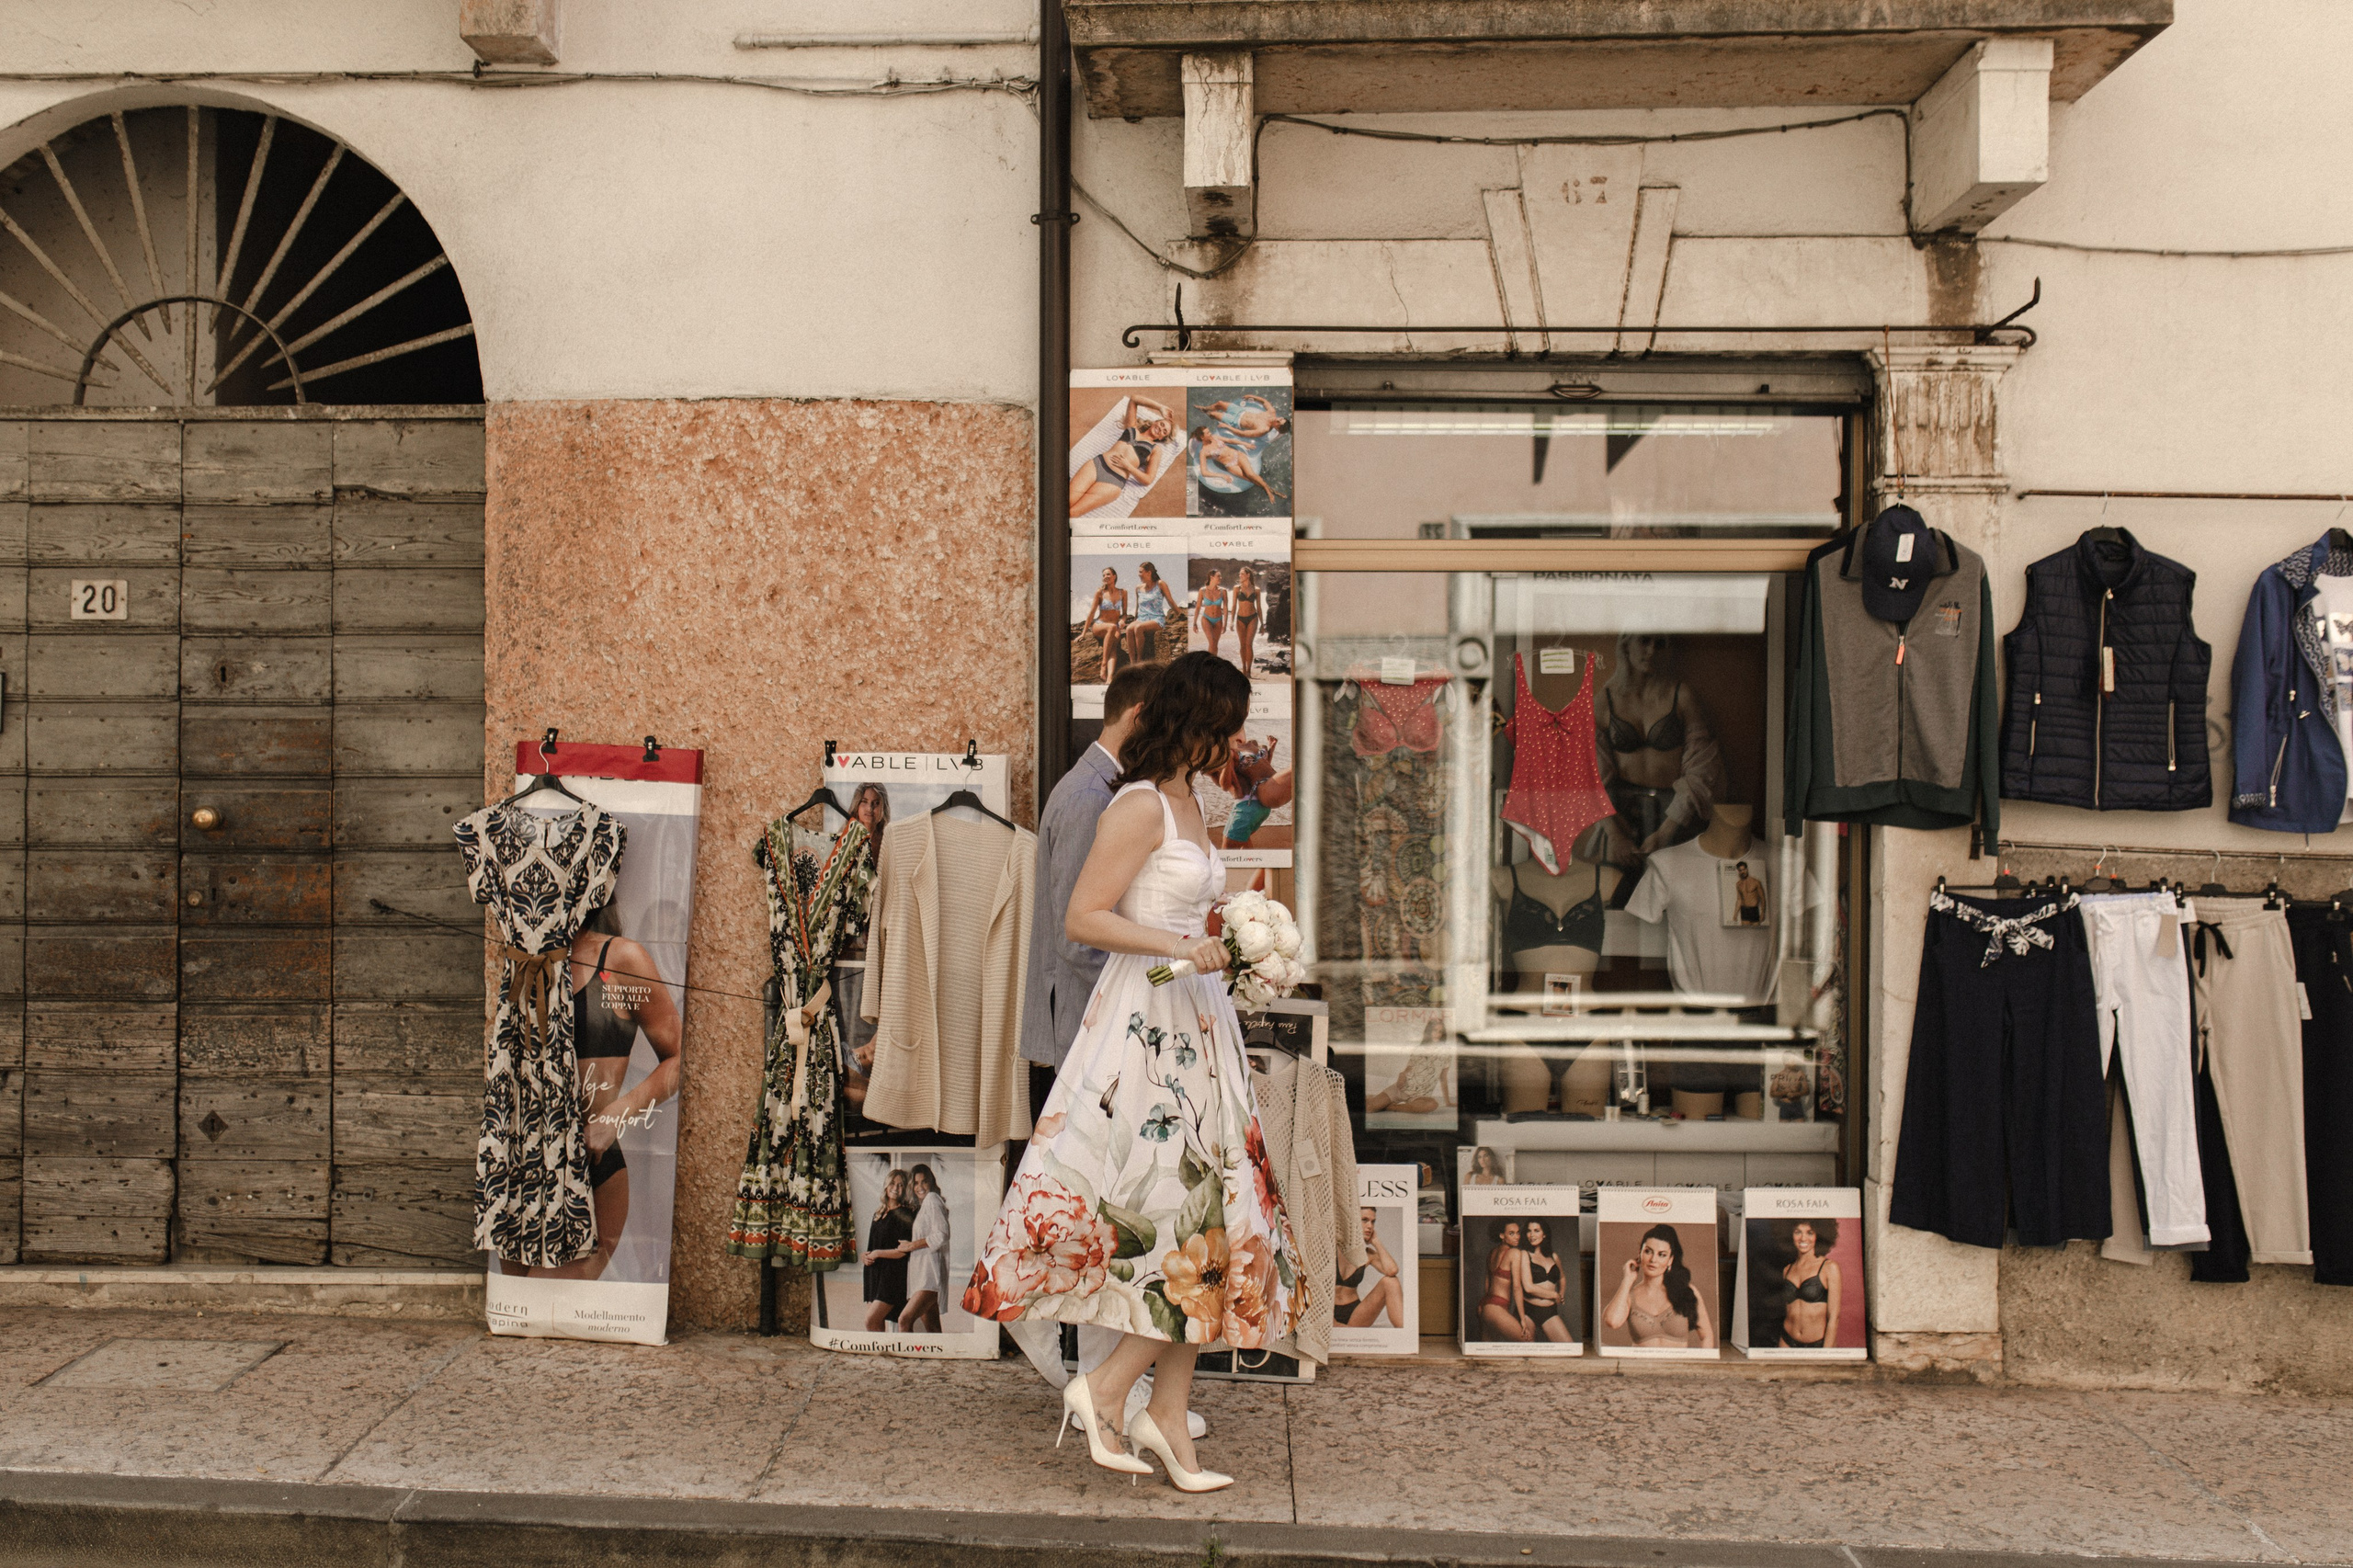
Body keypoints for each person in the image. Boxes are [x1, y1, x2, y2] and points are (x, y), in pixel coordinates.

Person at [965, 652, 1301, 1494]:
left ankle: (1164, 1421)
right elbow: (1084, 916)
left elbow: (1191, 910)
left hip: (1196, 1019)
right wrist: (1182, 949)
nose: (1237, 739)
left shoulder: (1193, 799)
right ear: (1197, 721)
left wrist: (1238, 947)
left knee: (1221, 1212)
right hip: (1148, 1025)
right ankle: (1109, 1389)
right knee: (1192, 1220)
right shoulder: (1139, 803)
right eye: (1227, 724)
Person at [520, 901, 682, 1281]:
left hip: (590, 1165)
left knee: (550, 1301)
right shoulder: (527, 954)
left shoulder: (620, 958)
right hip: (523, 1164)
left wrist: (615, 1115)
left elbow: (679, 1058)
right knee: (519, 1308)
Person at [1021, 660, 1164, 1078]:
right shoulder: (1091, 796)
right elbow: (1077, 935)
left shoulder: (1101, 787)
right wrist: (1149, 991)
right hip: (1082, 1012)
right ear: (1140, 716)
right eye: (1166, 721)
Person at [1593, 633, 1723, 869]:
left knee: (1676, 897)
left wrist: (1666, 832)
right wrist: (1614, 834)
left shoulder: (1682, 697)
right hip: (1619, 819)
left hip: (1676, 815)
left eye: (1660, 643)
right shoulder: (1604, 701)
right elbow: (1586, 775)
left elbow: (1704, 768)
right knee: (1619, 897)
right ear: (1626, 645)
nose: (1652, 651)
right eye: (1644, 640)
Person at [839, 782, 891, 1111]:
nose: (869, 809)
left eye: (876, 803)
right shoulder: (844, 843)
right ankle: (853, 1059)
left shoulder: (888, 845)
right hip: (850, 948)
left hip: (879, 940)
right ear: (856, 806)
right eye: (865, 802)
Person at [1602, 1223, 1715, 1348]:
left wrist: (1698, 1367)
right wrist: (1627, 1281)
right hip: (1639, 1366)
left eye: (1662, 1254)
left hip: (1679, 1367)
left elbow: (1707, 1336)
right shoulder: (1629, 1296)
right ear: (1640, 1254)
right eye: (1648, 1252)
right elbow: (1612, 1322)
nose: (1653, 1260)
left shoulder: (1686, 1292)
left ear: (1670, 1260)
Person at [1071, 398, 1178, 519]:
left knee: (1073, 512)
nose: (1161, 429)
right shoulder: (1132, 427)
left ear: (1162, 437)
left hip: (1113, 481)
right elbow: (1134, 399)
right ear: (1155, 422)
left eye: (1165, 431)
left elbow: (1148, 479)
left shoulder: (1155, 450)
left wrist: (1128, 466)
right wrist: (1160, 407)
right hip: (1097, 465)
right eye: (1162, 424)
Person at [860, 1169, 915, 1331]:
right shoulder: (878, 1214)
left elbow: (903, 1251)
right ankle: (881, 1354)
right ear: (886, 1185)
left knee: (871, 1320)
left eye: (901, 1185)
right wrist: (865, 1256)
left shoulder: (905, 1214)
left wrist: (877, 1253)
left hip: (892, 1275)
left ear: (904, 1189)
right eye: (893, 1183)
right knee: (875, 1323)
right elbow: (871, 1246)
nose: (896, 1188)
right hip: (873, 1273)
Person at [897, 1163, 949, 1334]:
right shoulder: (925, 1205)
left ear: (931, 1182)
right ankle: (942, 1358)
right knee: (934, 1330)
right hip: (923, 1276)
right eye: (916, 1183)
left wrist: (911, 1245)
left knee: (904, 1320)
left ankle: (906, 1358)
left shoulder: (932, 1199)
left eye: (924, 1182)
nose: (920, 1187)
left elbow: (941, 1235)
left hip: (929, 1277)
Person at [1335, 1206, 1404, 1329]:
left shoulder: (1367, 1254)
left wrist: (1376, 1241)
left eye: (1373, 1222)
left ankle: (1405, 1338)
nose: (1370, 1226)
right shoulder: (1329, 1250)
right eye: (1365, 1220)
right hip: (1326, 1314)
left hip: (1356, 1314)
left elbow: (1392, 1270)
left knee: (1391, 1282)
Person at [1778, 1217, 1843, 1348]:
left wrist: (1826, 1354)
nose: (1803, 1238)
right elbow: (1788, 1310)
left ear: (1819, 1235)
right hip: (1787, 1341)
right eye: (1798, 1232)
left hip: (1817, 1344)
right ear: (1790, 1234)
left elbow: (1834, 1318)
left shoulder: (1829, 1267)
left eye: (1810, 1232)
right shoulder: (1787, 1269)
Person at [1192, 423, 1288, 506]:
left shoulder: (1215, 438)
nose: (1210, 433)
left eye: (1209, 431)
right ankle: (1273, 491)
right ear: (1202, 437)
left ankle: (1268, 491)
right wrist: (1222, 475)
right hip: (1230, 465)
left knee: (1251, 475)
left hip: (1238, 456)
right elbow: (1204, 472)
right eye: (1208, 433)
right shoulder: (1204, 452)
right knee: (1249, 479)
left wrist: (1245, 444)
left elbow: (1230, 441)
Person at [1516, 1220, 1574, 1344]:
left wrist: (1561, 1293)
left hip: (1549, 1311)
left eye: (1536, 1231)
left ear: (1545, 1234)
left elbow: (1562, 1277)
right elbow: (1528, 1287)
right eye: (1529, 1231)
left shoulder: (1553, 1256)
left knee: (1568, 1346)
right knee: (1528, 1352)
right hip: (1528, 1310)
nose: (1532, 1235)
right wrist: (1554, 1295)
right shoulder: (1524, 1254)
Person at [1477, 1221, 1530, 1342]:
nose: (1517, 1237)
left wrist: (1483, 1307)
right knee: (1527, 1342)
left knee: (1490, 1352)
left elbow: (1487, 1285)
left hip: (1485, 1306)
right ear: (1502, 1235)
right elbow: (1517, 1287)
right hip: (1497, 1308)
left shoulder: (1492, 1253)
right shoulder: (1514, 1253)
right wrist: (1522, 1319)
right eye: (1511, 1233)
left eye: (1518, 1233)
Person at [1082, 566, 1129, 683]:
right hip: (1100, 626)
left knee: (1114, 648)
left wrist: (1123, 620)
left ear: (1114, 576)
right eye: (1103, 575)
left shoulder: (1123, 592)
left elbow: (1125, 614)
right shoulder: (1100, 592)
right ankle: (1103, 665)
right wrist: (1083, 633)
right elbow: (1092, 613)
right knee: (1112, 627)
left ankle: (1109, 677)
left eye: (1108, 574)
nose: (1105, 577)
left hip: (1114, 628)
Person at [1124, 562, 1175, 665]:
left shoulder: (1160, 584)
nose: (1139, 574)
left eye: (1141, 572)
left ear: (1149, 573)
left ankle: (1139, 660)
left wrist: (1180, 613)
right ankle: (1132, 663)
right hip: (1141, 618)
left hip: (1156, 618)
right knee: (1129, 629)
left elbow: (1170, 600)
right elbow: (1138, 606)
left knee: (1139, 628)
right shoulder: (1138, 588)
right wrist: (1135, 620)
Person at [1203, 394, 1287, 440]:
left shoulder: (1263, 429)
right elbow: (1264, 401)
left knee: (1213, 414)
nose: (1277, 420)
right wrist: (1252, 397)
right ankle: (1205, 408)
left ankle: (1208, 413)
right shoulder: (1272, 412)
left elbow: (1243, 434)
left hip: (1236, 421)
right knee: (1220, 403)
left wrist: (1227, 427)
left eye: (1278, 423)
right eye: (1280, 419)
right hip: (1240, 411)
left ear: (1277, 428)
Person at [1231, 566, 1264, 676]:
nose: (1240, 576)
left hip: (1252, 618)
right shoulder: (1237, 588)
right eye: (1239, 574)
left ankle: (1249, 670)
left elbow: (1259, 607)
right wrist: (1231, 621)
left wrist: (1262, 624)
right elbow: (1234, 606)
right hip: (1240, 619)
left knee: (1248, 644)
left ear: (1248, 575)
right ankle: (1243, 668)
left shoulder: (1256, 590)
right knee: (1242, 645)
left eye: (1242, 574)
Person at [1193, 570, 1229, 658]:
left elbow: (1225, 608)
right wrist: (1194, 623)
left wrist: (1225, 623)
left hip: (1218, 620)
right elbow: (1198, 607)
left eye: (1220, 576)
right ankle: (1208, 665)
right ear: (1211, 577)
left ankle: (1212, 666)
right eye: (1218, 576)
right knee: (1212, 642)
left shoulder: (1223, 591)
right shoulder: (1202, 591)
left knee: (1215, 645)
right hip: (1206, 619)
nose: (1220, 578)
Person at [1735, 860, 1765, 926]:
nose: (1743, 872)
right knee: (1745, 932)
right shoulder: (1738, 884)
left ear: (1747, 869)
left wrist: (1763, 912)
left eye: (1744, 869)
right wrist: (1735, 915)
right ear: (1738, 871)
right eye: (1740, 870)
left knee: (1756, 933)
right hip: (1744, 910)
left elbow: (1762, 898)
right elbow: (1739, 900)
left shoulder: (1756, 882)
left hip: (1754, 910)